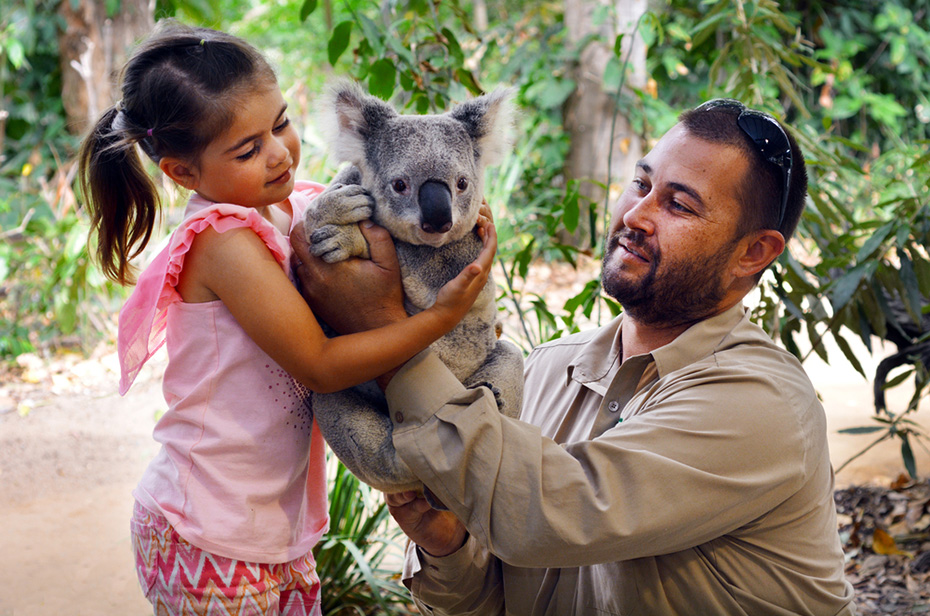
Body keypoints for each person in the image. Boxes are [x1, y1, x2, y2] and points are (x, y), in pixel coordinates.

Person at [291, 97, 858, 615]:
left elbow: (545, 517)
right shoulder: (544, 368)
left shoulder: (760, 405)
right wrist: (452, 545)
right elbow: (499, 597)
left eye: (679, 205)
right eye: (641, 184)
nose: (636, 215)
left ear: (752, 253)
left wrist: (380, 328)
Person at [78, 20, 495, 616]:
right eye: (247, 149)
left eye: (280, 124)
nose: (278, 153)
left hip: (276, 528)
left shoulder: (292, 203)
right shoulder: (221, 239)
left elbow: (387, 209)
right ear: (182, 173)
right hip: (208, 529)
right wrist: (443, 315)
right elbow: (320, 366)